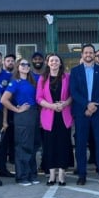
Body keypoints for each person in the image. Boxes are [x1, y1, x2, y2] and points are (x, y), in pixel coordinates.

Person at [70, 43, 99, 186]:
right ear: (82, 55)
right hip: (82, 112)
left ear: (94, 54)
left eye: (91, 52)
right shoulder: (75, 71)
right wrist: (87, 105)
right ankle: (82, 174)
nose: (88, 55)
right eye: (86, 52)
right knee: (80, 144)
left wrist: (94, 105)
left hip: (98, 112)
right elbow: (73, 91)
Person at [1, 58, 40, 186]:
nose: (25, 66)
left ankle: (32, 174)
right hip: (23, 115)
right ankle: (22, 176)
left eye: (27, 64)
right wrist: (17, 109)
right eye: (22, 64)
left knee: (33, 145)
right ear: (18, 67)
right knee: (23, 146)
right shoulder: (15, 82)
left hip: (34, 114)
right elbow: (4, 100)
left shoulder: (33, 80)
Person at [36, 53, 73, 186]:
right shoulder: (43, 78)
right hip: (49, 116)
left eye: (56, 60)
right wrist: (52, 106)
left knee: (63, 145)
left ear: (60, 63)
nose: (54, 63)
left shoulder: (67, 77)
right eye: (51, 61)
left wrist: (64, 104)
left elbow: (72, 95)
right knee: (50, 146)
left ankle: (62, 175)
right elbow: (38, 98)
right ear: (48, 63)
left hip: (64, 115)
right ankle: (52, 175)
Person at [0, 51, 15, 178]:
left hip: (6, 111)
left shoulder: (9, 75)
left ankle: (3, 168)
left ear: (2, 60)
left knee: (3, 142)